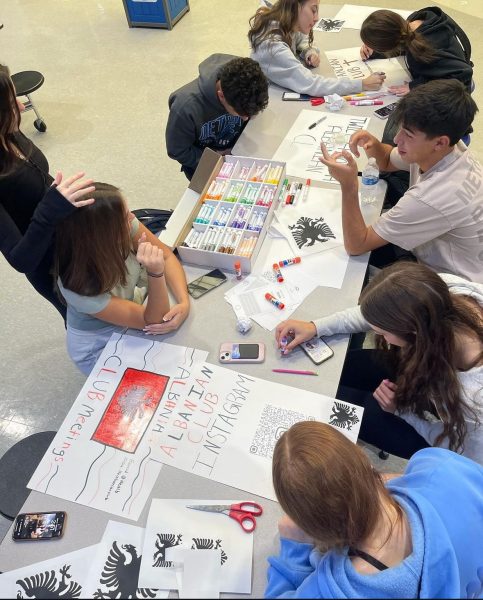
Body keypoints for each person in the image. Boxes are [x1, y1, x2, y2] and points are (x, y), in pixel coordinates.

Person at [275, 263, 483, 464]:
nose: (377, 334)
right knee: (337, 373)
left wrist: (405, 412)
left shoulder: (475, 396)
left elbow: (460, 449)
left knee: (334, 405)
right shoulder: (439, 290)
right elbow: (376, 311)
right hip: (431, 368)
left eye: (382, 333)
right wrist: (316, 327)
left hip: (443, 435)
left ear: (413, 332)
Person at [266, 421, 483, 599]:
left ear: (315, 531)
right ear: (363, 458)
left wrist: (293, 549)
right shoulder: (439, 467)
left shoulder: (336, 588)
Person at [319, 79, 483, 282]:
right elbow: (387, 160)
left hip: (453, 291)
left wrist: (349, 185)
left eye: (408, 134)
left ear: (439, 142)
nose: (397, 139)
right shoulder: (449, 148)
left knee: (344, 271)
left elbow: (356, 244)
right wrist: (373, 144)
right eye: (401, 129)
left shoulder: (431, 196)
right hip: (456, 256)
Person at [55, 183, 190, 375]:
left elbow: (167, 256)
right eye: (125, 217)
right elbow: (154, 320)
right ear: (102, 233)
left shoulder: (122, 225)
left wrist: (184, 302)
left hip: (130, 313)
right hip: (100, 344)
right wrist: (155, 272)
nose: (133, 218)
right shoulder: (80, 287)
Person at [0, 64, 95, 319]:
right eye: (10, 104)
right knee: (84, 322)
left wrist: (68, 197)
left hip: (71, 238)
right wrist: (52, 207)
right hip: (50, 267)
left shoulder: (8, 133)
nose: (22, 107)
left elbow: (33, 180)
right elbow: (21, 259)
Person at [248, 0, 385, 98]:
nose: (317, 18)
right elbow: (310, 83)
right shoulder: (273, 47)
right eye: (313, 10)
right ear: (295, 6)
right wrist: (361, 84)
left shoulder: (285, 21)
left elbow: (301, 38)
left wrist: (307, 51)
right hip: (264, 99)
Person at [166, 54, 269, 181]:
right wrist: (215, 158)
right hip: (205, 162)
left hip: (239, 151)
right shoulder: (184, 107)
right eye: (240, 113)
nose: (245, 119)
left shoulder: (249, 78)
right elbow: (177, 151)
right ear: (221, 96)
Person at [360, 8, 473, 97]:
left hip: (455, 90)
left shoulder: (424, 51)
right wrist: (375, 52)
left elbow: (463, 73)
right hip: (447, 67)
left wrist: (415, 86)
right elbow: (402, 43)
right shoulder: (412, 24)